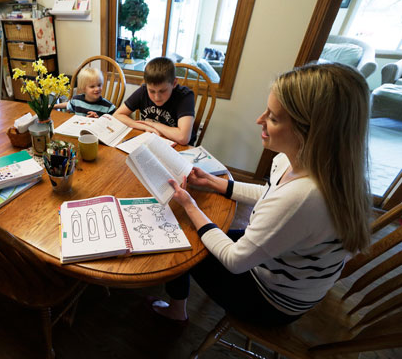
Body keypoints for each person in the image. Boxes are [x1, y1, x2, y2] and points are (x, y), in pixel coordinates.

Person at [149, 63, 372, 327]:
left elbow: (235, 260)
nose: (260, 120)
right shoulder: (312, 165)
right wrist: (213, 183)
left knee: (184, 242)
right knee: (202, 231)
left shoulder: (304, 198)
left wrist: (190, 206)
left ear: (311, 132)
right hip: (287, 269)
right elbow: (270, 195)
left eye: (274, 118)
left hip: (272, 300)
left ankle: (177, 311)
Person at [113, 57, 195, 145]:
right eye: (152, 91)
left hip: (179, 148)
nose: (157, 97)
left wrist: (152, 124)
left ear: (174, 83)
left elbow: (183, 137)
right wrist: (143, 126)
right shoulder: (143, 91)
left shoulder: (185, 96)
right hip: (151, 140)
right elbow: (117, 115)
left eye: (162, 91)